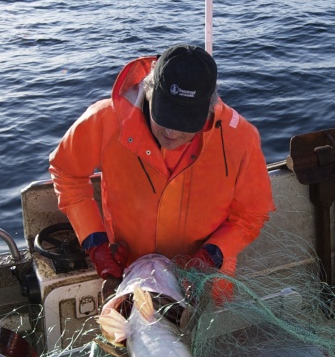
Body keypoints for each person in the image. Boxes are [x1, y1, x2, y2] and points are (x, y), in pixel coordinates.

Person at [49, 44, 274, 289]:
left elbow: (251, 214)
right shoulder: (105, 119)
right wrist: (96, 244)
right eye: (164, 116)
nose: (171, 132)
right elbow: (67, 171)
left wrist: (212, 255)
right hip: (130, 275)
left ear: (210, 106)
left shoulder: (241, 137)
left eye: (185, 122)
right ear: (148, 92)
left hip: (206, 279)